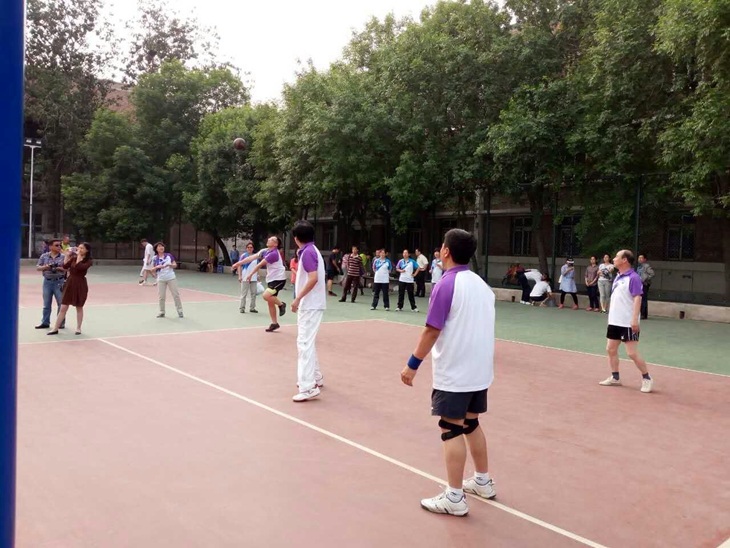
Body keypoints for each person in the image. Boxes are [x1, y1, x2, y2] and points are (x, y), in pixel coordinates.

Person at [400, 229, 496, 517]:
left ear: (445, 251)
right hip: (479, 370)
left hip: (456, 371)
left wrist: (412, 364)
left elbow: (432, 330)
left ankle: (454, 497)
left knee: (451, 427)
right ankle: (483, 481)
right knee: (471, 423)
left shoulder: (446, 283)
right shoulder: (482, 285)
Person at [599, 249, 653, 393]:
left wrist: (634, 320)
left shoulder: (634, 277)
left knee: (632, 353)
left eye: (617, 257)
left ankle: (647, 378)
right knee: (610, 349)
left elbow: (637, 298)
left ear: (624, 260)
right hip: (614, 321)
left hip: (627, 322)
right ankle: (615, 377)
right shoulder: (618, 276)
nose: (613, 259)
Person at [290, 220, 327, 402]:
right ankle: (316, 377)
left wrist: (297, 298)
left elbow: (313, 278)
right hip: (311, 304)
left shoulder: (308, 253)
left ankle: (307, 387)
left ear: (296, 238)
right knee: (307, 342)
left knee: (304, 343)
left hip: (310, 304)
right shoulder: (310, 251)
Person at [240, 236, 287, 332]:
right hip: (271, 279)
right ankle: (274, 323)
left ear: (275, 244)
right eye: (269, 239)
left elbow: (260, 264)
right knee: (270, 302)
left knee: (266, 296)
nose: (268, 240)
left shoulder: (274, 253)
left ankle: (281, 304)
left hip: (279, 279)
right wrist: (238, 264)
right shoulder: (265, 251)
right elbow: (251, 257)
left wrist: (251, 274)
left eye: (271, 240)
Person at [47, 243, 93, 336]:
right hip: (70, 282)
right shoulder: (74, 258)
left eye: (82, 248)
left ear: (87, 250)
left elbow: (79, 267)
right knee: (63, 307)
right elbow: (65, 266)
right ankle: (55, 328)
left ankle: (78, 328)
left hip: (80, 283)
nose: (79, 249)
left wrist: (78, 256)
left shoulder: (89, 261)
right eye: (79, 247)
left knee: (79, 306)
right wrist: (67, 256)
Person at [35, 238, 67, 329]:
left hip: (59, 282)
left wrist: (58, 268)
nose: (59, 247)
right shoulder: (44, 256)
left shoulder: (63, 257)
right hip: (47, 282)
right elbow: (38, 267)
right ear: (50, 247)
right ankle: (45, 322)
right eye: (56, 245)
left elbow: (67, 269)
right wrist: (46, 267)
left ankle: (60, 323)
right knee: (46, 304)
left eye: (60, 245)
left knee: (61, 304)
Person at [152, 242, 184, 318]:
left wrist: (170, 265)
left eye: (162, 246)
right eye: (159, 246)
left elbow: (175, 265)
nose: (161, 247)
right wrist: (157, 267)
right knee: (161, 296)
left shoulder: (169, 256)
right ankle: (162, 312)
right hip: (161, 279)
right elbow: (152, 270)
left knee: (176, 295)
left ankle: (180, 311)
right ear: (156, 249)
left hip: (171, 278)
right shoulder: (154, 258)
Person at [232, 242, 259, 314]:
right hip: (245, 276)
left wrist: (258, 275)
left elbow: (257, 266)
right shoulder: (243, 256)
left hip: (254, 277)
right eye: (248, 247)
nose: (249, 248)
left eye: (251, 247)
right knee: (244, 293)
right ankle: (242, 308)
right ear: (246, 248)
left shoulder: (256, 256)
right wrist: (240, 276)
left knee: (253, 293)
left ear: (253, 248)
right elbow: (239, 265)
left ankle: (252, 308)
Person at [636, 253, 655, 320]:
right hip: (639, 284)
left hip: (644, 284)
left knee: (643, 299)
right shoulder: (638, 267)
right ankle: (641, 313)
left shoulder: (647, 266)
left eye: (641, 258)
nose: (640, 259)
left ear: (645, 259)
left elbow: (652, 274)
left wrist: (645, 279)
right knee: (640, 298)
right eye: (639, 258)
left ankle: (643, 314)